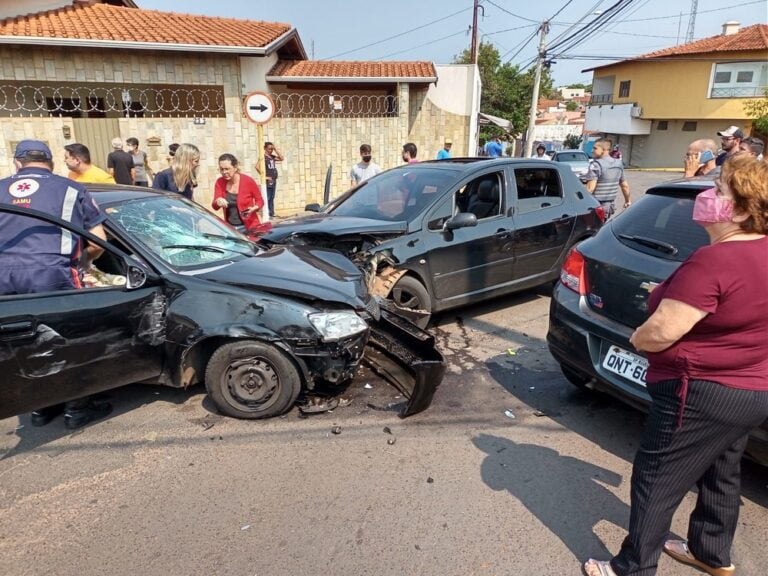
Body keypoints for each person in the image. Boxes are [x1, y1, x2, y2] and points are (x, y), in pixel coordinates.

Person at [583, 154, 768, 576]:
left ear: (741, 209)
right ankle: (711, 552)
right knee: (722, 471)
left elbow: (662, 331)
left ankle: (632, 567)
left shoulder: (714, 261)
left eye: (719, 190)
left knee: (657, 478)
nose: (708, 195)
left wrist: (638, 338)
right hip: (752, 392)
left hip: (698, 392)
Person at [0, 140, 113, 429]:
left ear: (17, 163)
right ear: (51, 163)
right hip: (53, 274)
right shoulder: (72, 189)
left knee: (21, 344)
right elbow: (98, 241)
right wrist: (84, 262)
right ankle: (77, 408)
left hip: (4, 278)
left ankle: (40, 408)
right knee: (67, 340)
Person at [211, 153, 264, 230]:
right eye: (221, 169)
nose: (224, 172)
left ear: (235, 167)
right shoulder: (219, 182)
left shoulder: (248, 181)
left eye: (227, 169)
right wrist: (218, 201)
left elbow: (260, 201)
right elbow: (214, 206)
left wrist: (254, 208)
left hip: (250, 226)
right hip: (231, 228)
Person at [584, 138, 631, 217]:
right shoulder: (618, 164)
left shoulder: (596, 165)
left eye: (595, 148)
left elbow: (590, 189)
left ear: (604, 150)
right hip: (609, 207)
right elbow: (624, 186)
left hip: (595, 206)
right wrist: (628, 201)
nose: (592, 150)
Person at [254, 141, 283, 218]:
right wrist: (264, 176)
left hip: (273, 180)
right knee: (268, 197)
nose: (271, 150)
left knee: (272, 197)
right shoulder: (263, 157)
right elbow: (257, 166)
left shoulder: (272, 157)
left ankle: (272, 213)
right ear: (265, 148)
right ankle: (267, 213)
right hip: (268, 180)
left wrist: (276, 149)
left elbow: (281, 158)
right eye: (269, 149)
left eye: (272, 149)